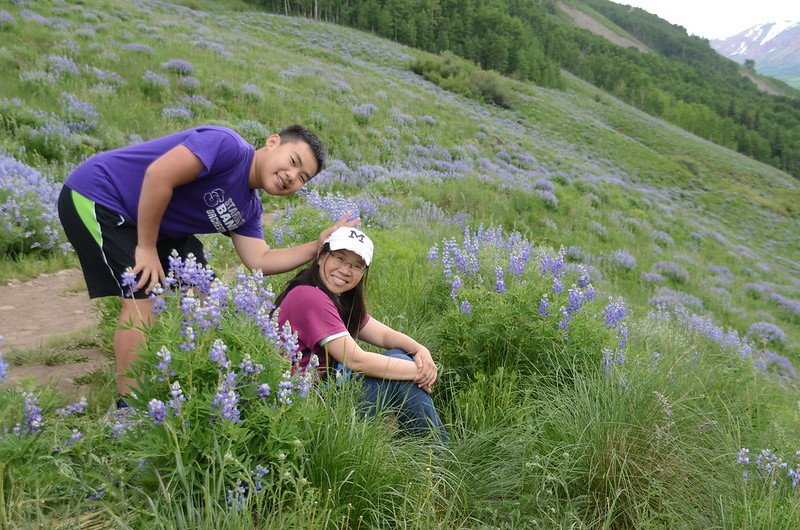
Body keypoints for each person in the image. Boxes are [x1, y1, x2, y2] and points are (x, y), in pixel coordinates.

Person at [57, 124, 355, 406]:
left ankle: (204, 371)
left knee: (211, 293)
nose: (292, 176)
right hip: (101, 196)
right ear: (272, 141)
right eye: (293, 161)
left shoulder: (249, 208)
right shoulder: (227, 146)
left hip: (157, 224)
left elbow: (259, 260)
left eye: (302, 177)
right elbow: (159, 175)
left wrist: (317, 248)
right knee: (142, 296)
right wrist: (146, 248)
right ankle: (128, 406)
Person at [274, 227, 449, 445]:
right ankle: (437, 455)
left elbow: (384, 335)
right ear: (320, 256)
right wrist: (420, 371)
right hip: (302, 413)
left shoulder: (334, 298)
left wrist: (421, 350)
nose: (346, 270)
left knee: (399, 355)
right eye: (339, 258)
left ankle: (421, 447)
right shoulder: (310, 297)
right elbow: (356, 360)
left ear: (363, 273)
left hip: (322, 394)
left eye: (356, 266)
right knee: (399, 375)